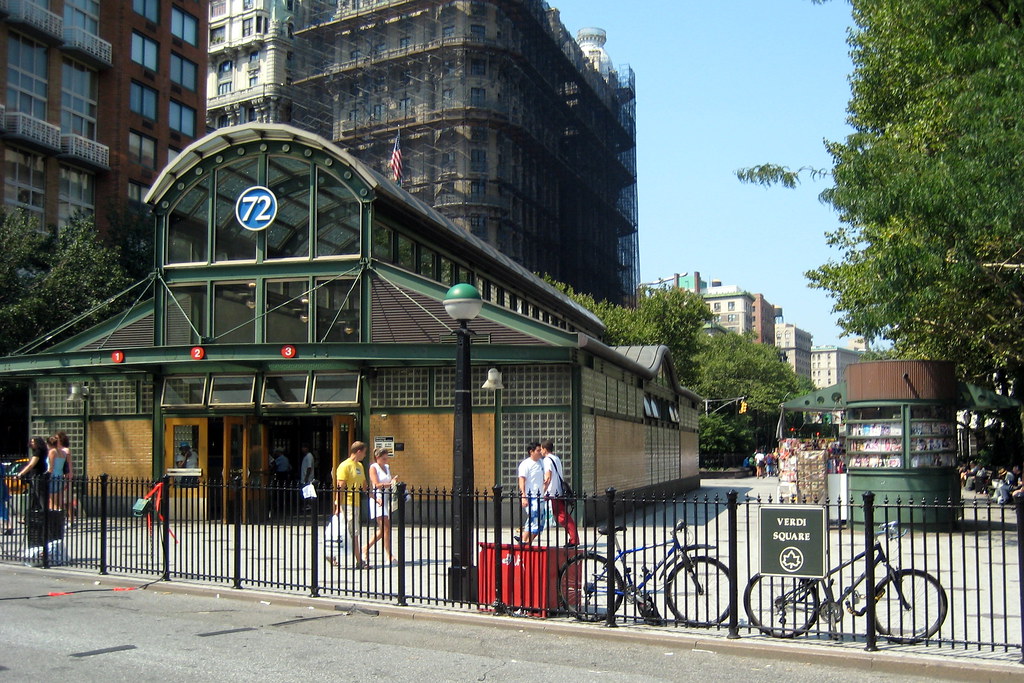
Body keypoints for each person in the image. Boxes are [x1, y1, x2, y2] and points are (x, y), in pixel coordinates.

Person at [334, 441, 367, 568]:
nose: (365, 455)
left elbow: (364, 485)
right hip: (347, 504)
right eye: (364, 452)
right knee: (354, 532)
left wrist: (373, 497)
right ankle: (359, 561)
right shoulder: (344, 466)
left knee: (346, 532)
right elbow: (340, 487)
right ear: (358, 451)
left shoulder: (359, 465)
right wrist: (338, 506)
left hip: (356, 503)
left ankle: (331, 554)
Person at [540, 439, 579, 547]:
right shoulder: (556, 458)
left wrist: (543, 491)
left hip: (552, 492)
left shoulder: (547, 460)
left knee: (562, 516)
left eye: (541, 449)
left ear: (545, 449)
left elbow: (548, 477)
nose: (541, 452)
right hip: (558, 491)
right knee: (555, 514)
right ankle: (528, 535)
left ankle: (574, 539)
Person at [364, 448, 397, 565]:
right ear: (377, 458)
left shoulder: (387, 467)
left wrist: (393, 482)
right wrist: (390, 484)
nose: (386, 460)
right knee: (386, 526)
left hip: (386, 498)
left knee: (384, 529)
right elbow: (377, 484)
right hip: (378, 499)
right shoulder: (373, 467)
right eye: (383, 458)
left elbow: (388, 481)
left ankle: (366, 547)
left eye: (387, 458)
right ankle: (389, 554)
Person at [515, 442, 546, 545]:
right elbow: (522, 480)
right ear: (531, 452)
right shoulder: (525, 464)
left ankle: (526, 541)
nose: (540, 452)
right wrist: (523, 496)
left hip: (540, 497)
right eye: (538, 450)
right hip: (531, 497)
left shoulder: (541, 463)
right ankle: (524, 541)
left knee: (539, 522)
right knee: (534, 519)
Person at [18, 436, 49, 511]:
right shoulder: (42, 451)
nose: (32, 444)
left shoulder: (38, 451)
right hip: (38, 474)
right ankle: (30, 514)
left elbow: (31, 464)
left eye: (34, 442)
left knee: (39, 494)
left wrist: (21, 473)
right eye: (31, 442)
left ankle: (44, 512)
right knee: (33, 494)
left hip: (37, 474)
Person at [47, 434, 71, 511]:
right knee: (59, 500)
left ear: (49, 444)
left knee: (51, 500)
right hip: (60, 477)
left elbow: (51, 466)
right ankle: (60, 517)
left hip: (53, 477)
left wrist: (47, 476)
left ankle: (53, 519)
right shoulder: (63, 452)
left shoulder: (52, 452)